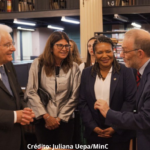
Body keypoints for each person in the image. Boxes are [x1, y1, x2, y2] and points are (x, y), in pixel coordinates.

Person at [94, 29, 150, 150]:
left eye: (125, 51)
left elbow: (145, 119)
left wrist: (108, 112)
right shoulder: (142, 73)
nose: (121, 55)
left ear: (140, 53)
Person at [79, 36, 136, 150]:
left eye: (108, 51)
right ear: (94, 53)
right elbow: (82, 102)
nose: (105, 55)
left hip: (119, 133)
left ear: (113, 52)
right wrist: (93, 127)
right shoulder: (86, 73)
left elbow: (130, 101)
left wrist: (115, 127)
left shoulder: (126, 71)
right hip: (94, 134)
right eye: (100, 52)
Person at [25, 31, 81, 146]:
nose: (64, 49)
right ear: (51, 47)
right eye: (60, 45)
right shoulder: (38, 64)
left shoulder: (74, 67)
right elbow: (31, 91)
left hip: (65, 121)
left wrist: (59, 118)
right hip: (43, 120)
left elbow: (75, 95)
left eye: (66, 46)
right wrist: (46, 117)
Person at [0, 25, 35, 150]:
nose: (13, 48)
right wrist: (15, 116)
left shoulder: (8, 65)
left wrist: (25, 110)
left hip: (17, 139)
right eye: (7, 45)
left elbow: (18, 95)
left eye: (12, 44)